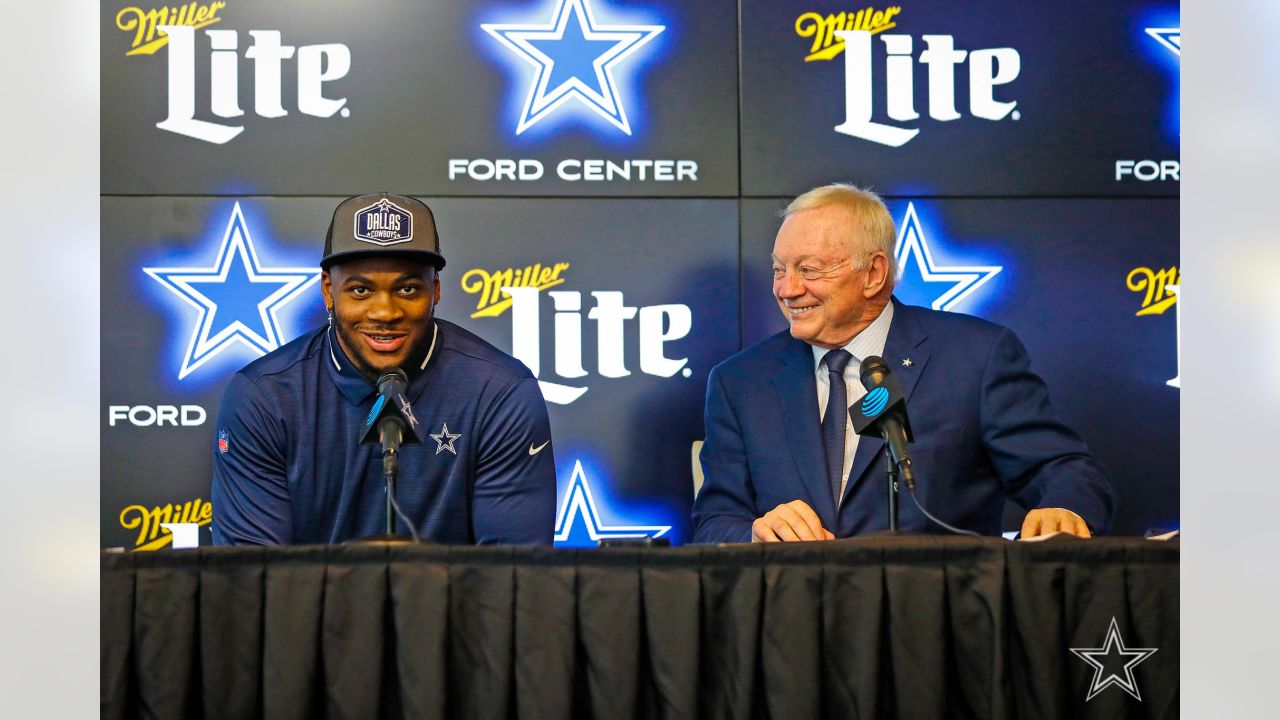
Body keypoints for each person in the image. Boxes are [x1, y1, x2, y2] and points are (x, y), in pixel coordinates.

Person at [692, 184, 1115, 543]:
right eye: (779, 269)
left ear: (874, 273)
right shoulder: (741, 382)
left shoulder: (976, 356)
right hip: (796, 620)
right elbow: (715, 520)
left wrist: (1062, 507)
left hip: (940, 617)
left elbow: (1062, 469)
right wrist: (754, 532)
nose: (787, 289)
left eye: (810, 269)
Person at [211, 193, 556, 544]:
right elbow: (251, 579)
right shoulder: (264, 397)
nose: (385, 312)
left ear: (435, 290)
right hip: (306, 601)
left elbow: (513, 575)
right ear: (328, 291)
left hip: (455, 601)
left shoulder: (499, 392)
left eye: (407, 288)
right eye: (360, 290)